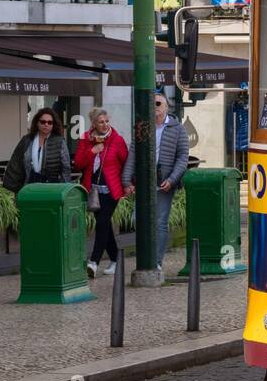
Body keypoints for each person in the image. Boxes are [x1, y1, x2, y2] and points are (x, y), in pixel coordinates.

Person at [123, 92, 190, 273]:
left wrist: (173, 178)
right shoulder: (142, 127)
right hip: (144, 182)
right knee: (139, 219)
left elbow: (183, 156)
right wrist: (126, 179)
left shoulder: (177, 128)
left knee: (160, 222)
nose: (155, 108)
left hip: (164, 183)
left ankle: (157, 262)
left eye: (158, 104)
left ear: (167, 107)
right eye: (152, 104)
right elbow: (133, 153)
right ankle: (147, 256)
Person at [74, 107, 129, 278]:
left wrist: (129, 184)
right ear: (94, 124)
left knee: (102, 223)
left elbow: (127, 163)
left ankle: (93, 262)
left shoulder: (117, 140)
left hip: (112, 189)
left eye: (106, 121)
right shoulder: (85, 139)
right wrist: (92, 151)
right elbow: (78, 163)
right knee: (105, 226)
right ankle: (115, 259)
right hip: (93, 191)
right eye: (101, 122)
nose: (105, 125)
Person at [2, 108, 71, 192]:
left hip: (52, 188)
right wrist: (12, 188)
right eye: (43, 122)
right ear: (37, 123)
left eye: (50, 122)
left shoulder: (60, 142)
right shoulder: (27, 140)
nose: (46, 124)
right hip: (29, 186)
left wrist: (65, 191)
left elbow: (65, 168)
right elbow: (15, 165)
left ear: (53, 125)